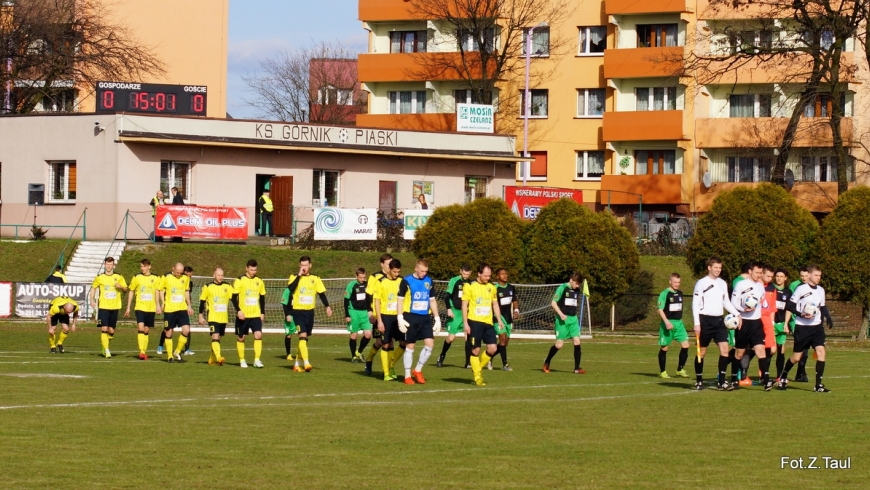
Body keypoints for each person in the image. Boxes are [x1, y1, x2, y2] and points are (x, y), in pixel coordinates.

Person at [777, 265, 833, 392]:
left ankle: (818, 385)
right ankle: (783, 377)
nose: (819, 278)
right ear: (810, 275)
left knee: (821, 353)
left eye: (820, 275)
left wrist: (828, 317)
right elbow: (790, 306)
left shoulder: (821, 290)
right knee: (797, 357)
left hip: (817, 327)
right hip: (802, 328)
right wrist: (801, 314)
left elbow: (822, 306)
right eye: (816, 275)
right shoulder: (801, 289)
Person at [692, 256, 742, 391]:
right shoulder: (701, 283)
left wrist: (737, 314)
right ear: (709, 268)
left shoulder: (722, 283)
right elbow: (695, 304)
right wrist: (697, 324)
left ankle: (721, 381)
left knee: (725, 350)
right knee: (701, 352)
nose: (718, 270)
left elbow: (726, 302)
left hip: (720, 321)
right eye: (715, 267)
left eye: (720, 268)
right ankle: (699, 380)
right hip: (704, 321)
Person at [731, 262, 774, 391]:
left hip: (756, 323)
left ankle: (766, 381)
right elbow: (733, 302)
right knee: (739, 353)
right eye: (757, 272)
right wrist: (743, 308)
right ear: (750, 271)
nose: (759, 275)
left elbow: (760, 302)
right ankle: (734, 379)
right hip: (744, 322)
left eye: (761, 273)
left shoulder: (760, 287)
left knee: (761, 351)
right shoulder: (741, 284)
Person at [396, 259, 441, 384]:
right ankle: (407, 376)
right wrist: (400, 317)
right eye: (422, 271)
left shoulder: (429, 281)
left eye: (426, 271)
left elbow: (432, 300)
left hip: (425, 317)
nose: (424, 273)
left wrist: (437, 318)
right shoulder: (406, 281)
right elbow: (400, 300)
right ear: (416, 268)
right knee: (410, 346)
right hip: (411, 317)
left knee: (430, 344)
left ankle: (417, 370)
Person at [287, 256, 333, 371]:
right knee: (302, 336)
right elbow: (291, 289)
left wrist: (327, 306)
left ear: (310, 266)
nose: (304, 268)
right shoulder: (294, 277)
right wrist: (299, 275)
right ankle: (306, 362)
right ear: (299, 265)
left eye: (306, 265)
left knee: (304, 338)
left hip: (310, 312)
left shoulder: (315, 278)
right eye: (302, 265)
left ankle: (297, 363)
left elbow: (321, 294)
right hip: (297, 311)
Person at [462, 264, 504, 386]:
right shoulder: (469, 286)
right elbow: (465, 305)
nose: (488, 277)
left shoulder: (492, 287)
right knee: (475, 349)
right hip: (474, 322)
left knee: (493, 348)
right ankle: (477, 376)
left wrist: (499, 320)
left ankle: (477, 367)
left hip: (488, 322)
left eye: (489, 275)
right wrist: (465, 323)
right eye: (485, 275)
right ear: (479, 274)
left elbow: (495, 304)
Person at [543, 272, 586, 375]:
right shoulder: (562, 288)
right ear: (571, 280)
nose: (578, 286)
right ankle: (547, 361)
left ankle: (576, 368)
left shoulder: (577, 290)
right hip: (562, 320)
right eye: (576, 283)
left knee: (577, 341)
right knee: (559, 345)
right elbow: (553, 303)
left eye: (579, 284)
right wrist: (561, 314)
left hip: (573, 320)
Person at [89, 257, 128, 358]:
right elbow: (93, 288)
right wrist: (91, 300)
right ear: (104, 265)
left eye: (111, 264)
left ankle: (105, 344)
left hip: (115, 307)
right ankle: (106, 350)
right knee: (104, 328)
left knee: (111, 331)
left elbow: (125, 289)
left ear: (113, 265)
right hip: (103, 307)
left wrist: (121, 287)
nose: (109, 266)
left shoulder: (119, 276)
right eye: (107, 264)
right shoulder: (100, 277)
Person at [373, 259, 405, 381]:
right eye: (395, 271)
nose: (397, 274)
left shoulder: (402, 281)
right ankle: (386, 372)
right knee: (386, 343)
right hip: (385, 316)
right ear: (389, 269)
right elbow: (377, 301)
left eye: (398, 272)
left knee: (403, 343)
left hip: (399, 316)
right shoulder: (381, 282)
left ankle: (391, 365)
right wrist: (379, 320)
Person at [436, 264, 472, 368]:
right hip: (455, 312)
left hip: (466, 312)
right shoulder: (454, 280)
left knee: (468, 337)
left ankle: (467, 363)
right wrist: (449, 309)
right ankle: (442, 356)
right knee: (451, 338)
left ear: (470, 273)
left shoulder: (471, 283)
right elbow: (447, 296)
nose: (465, 276)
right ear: (460, 271)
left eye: (467, 274)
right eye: (464, 273)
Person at [124, 259, 162, 360]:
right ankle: (141, 351)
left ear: (149, 266)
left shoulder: (156, 278)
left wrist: (158, 305)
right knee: (140, 328)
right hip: (140, 307)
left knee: (146, 329)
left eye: (144, 266)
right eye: (141, 266)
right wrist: (128, 307)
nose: (142, 268)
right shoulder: (137, 277)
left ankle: (144, 351)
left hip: (151, 308)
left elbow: (157, 292)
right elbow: (131, 291)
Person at [232, 260, 266, 368]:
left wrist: (262, 312)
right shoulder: (239, 280)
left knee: (258, 335)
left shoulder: (259, 281)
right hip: (243, 315)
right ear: (246, 268)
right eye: (251, 270)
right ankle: (242, 360)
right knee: (241, 337)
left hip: (255, 314)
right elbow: (233, 297)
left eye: (255, 270)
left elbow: (262, 298)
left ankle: (257, 360)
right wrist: (238, 311)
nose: (253, 272)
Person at [363, 253, 393, 375]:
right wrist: (370, 313)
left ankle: (389, 368)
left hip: (391, 314)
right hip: (378, 315)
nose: (390, 267)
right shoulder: (374, 277)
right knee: (380, 342)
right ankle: (369, 360)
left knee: (390, 341)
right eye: (387, 264)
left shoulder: (395, 278)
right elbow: (368, 296)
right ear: (382, 264)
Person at [158, 262, 194, 362]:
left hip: (182, 308)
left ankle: (177, 351)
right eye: (177, 272)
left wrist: (189, 306)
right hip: (170, 309)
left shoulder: (185, 278)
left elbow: (186, 291)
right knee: (168, 332)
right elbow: (160, 289)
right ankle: (170, 356)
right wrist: (162, 302)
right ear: (173, 268)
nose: (179, 274)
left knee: (186, 330)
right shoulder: (166, 277)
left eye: (181, 273)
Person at [656, 272, 690, 378]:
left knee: (686, 345)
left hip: (679, 323)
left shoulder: (680, 293)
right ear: (670, 281)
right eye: (675, 282)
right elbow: (660, 309)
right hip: (668, 323)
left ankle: (680, 369)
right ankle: (663, 371)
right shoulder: (664, 293)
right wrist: (666, 322)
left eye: (679, 282)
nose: (677, 284)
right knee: (665, 347)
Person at [198, 267, 234, 366]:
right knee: (215, 336)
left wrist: (239, 310)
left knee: (218, 339)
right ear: (214, 275)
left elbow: (234, 299)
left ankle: (211, 358)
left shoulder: (227, 286)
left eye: (222, 275)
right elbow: (202, 301)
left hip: (223, 317)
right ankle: (219, 358)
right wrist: (200, 316)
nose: (221, 277)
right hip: (213, 317)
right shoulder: (208, 287)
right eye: (218, 275)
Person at [344, 267, 372, 362]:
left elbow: (369, 299)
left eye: (364, 277)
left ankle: (359, 352)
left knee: (368, 334)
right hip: (353, 312)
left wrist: (370, 310)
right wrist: (347, 315)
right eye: (360, 277)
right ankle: (353, 357)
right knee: (354, 335)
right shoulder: (351, 285)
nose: (362, 279)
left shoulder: (367, 285)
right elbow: (346, 300)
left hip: (364, 312)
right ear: (356, 276)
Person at [493, 268, 519, 371]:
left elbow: (515, 300)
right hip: (497, 318)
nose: (505, 275)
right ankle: (505, 365)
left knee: (505, 343)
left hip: (508, 318)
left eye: (506, 273)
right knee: (502, 340)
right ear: (497, 276)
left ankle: (489, 356)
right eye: (502, 274)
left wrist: (516, 310)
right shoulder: (494, 288)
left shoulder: (511, 288)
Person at [789, 267, 811, 382]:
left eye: (806, 276)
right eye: (802, 276)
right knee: (800, 349)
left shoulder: (814, 287)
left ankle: (800, 373)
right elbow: (791, 304)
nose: (804, 278)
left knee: (806, 350)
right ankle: (798, 373)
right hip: (797, 322)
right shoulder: (794, 286)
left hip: (810, 323)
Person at [772, 268, 792, 380]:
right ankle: (763, 374)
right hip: (772, 323)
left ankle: (779, 376)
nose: (779, 278)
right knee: (771, 350)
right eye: (777, 276)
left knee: (781, 349)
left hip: (782, 324)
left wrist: (787, 323)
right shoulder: (770, 289)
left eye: (781, 276)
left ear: (785, 278)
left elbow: (789, 308)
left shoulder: (788, 292)